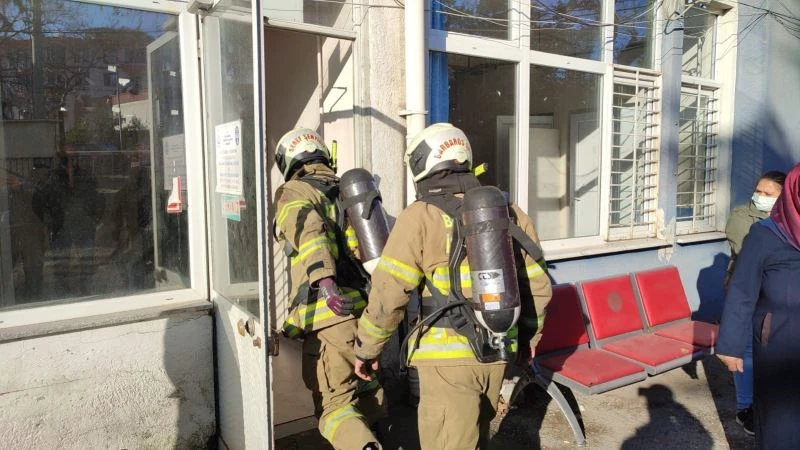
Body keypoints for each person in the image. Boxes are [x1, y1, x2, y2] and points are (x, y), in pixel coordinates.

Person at [353, 123, 552, 449]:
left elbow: (388, 293)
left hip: (446, 364)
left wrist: (367, 348)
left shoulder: (420, 216)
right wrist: (529, 339)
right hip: (498, 352)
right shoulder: (509, 212)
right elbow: (538, 285)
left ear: (422, 163)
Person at [272, 128, 385, 450]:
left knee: (334, 407)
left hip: (331, 317)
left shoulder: (293, 191)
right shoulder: (346, 191)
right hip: (365, 313)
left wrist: (325, 282)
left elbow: (310, 232)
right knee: (367, 389)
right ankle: (379, 437)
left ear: (287, 160)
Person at [717, 163, 800, 449]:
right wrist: (731, 344)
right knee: (780, 418)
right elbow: (742, 289)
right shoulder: (766, 234)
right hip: (778, 340)